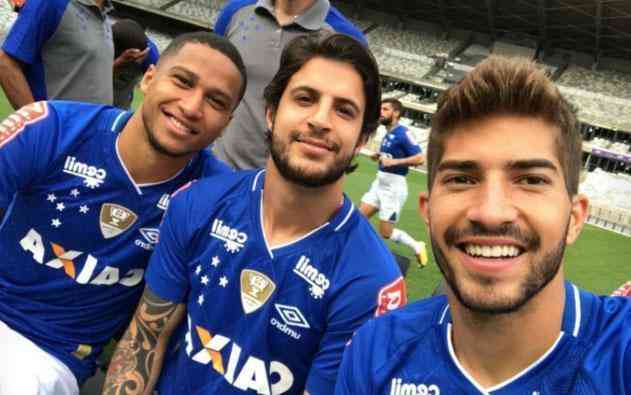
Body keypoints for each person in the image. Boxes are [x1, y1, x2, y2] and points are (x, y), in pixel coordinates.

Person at [102, 33, 406, 395]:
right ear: (272, 113)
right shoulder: (199, 203)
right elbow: (146, 340)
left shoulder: (370, 280)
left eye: (344, 110)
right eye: (305, 99)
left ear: (362, 138)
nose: (320, 120)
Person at [335, 56, 631, 394]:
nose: (491, 213)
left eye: (531, 180)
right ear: (428, 211)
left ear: (574, 218)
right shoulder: (376, 348)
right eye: (462, 178)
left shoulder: (620, 352)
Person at [0, 31, 247, 395]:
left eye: (215, 100)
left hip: (48, 356)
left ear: (227, 122)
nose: (192, 106)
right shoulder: (52, 126)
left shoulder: (217, 200)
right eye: (182, 81)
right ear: (149, 79)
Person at [212, 0, 366, 170]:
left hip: (284, 185)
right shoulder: (236, 11)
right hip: (216, 171)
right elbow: (209, 82)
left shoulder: (347, 37)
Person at [0, 0, 114, 109]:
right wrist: (39, 124)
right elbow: (5, 63)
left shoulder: (105, 14)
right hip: (60, 127)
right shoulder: (51, 3)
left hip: (97, 127)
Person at [360, 98, 428, 268]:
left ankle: (416, 245)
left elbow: (420, 158)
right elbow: (389, 157)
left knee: (386, 233)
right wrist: (379, 156)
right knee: (358, 217)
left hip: (393, 188)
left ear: (396, 113)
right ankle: (357, 250)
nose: (380, 112)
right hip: (379, 183)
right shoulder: (388, 133)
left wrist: (394, 163)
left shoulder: (404, 133)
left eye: (385, 109)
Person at [112, 18, 160, 109]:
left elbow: (157, 91)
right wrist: (119, 63)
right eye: (135, 57)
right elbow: (95, 80)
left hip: (121, 102)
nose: (139, 57)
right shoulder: (101, 46)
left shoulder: (150, 54)